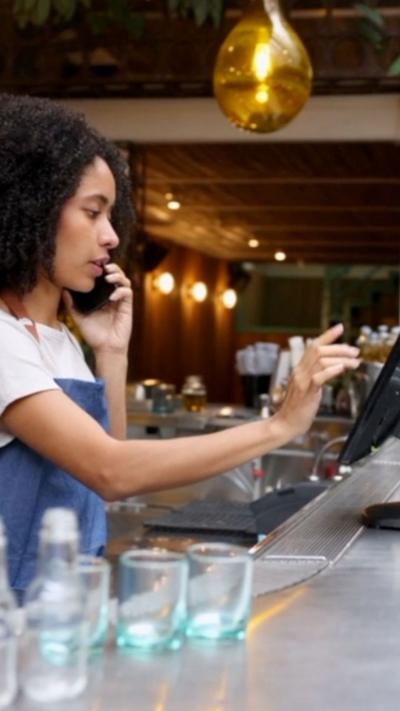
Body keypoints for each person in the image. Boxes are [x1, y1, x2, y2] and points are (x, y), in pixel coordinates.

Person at [0, 93, 360, 600]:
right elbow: (112, 473)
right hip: (14, 614)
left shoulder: (58, 339)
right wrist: (279, 426)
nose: (110, 237)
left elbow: (105, 459)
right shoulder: (3, 340)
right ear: (33, 209)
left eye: (111, 215)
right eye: (92, 212)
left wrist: (111, 353)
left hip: (65, 603)